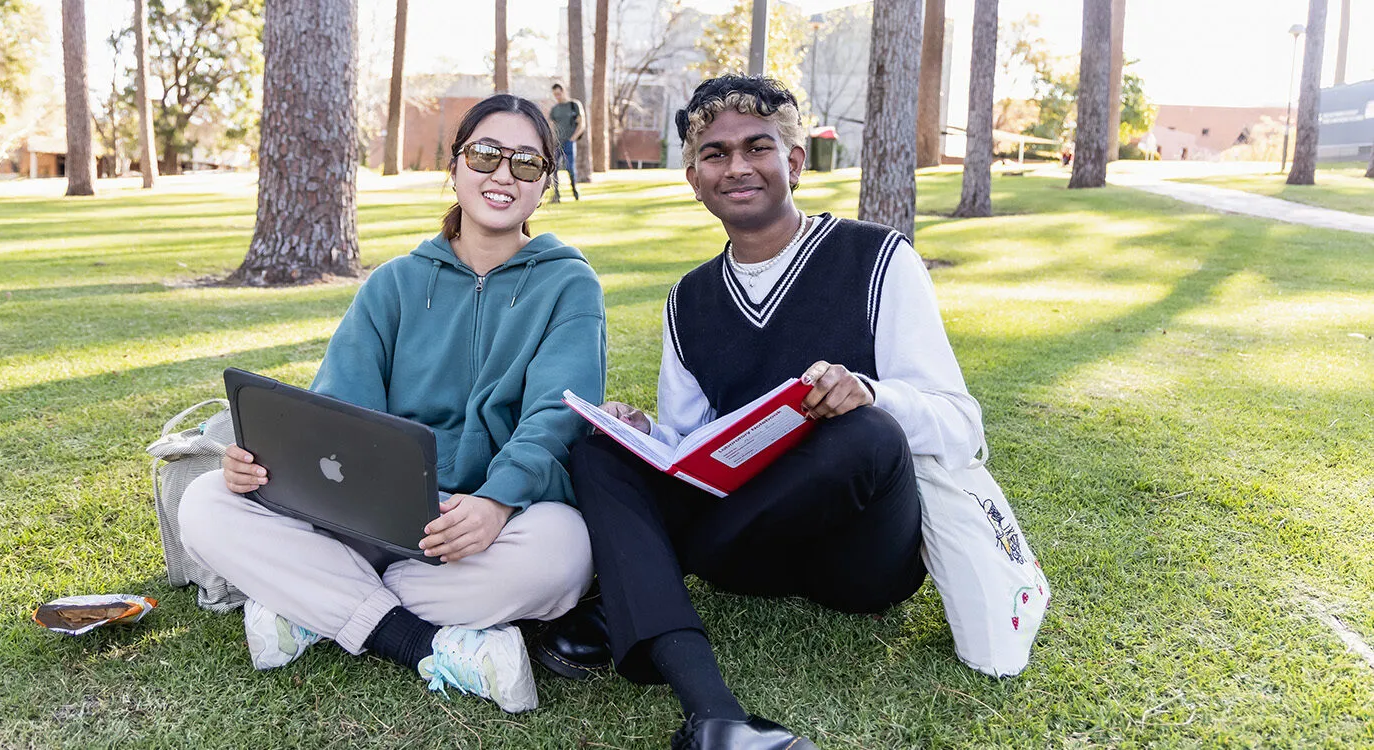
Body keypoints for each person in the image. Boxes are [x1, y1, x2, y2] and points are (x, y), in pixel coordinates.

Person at [538, 75, 985, 749]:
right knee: (599, 448)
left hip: (862, 556)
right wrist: (645, 435)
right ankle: (715, 716)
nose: (737, 166)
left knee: (864, 432)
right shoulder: (688, 299)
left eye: (758, 147)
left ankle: (635, 586)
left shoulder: (878, 259)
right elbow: (690, 444)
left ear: (795, 162)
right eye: (715, 154)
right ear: (694, 177)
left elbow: (961, 425)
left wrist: (870, 390)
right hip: (746, 552)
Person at [177, 93, 607, 714]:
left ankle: (313, 608)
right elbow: (335, 406)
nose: (502, 175)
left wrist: (494, 503)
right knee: (207, 503)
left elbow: (557, 415)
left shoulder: (570, 284)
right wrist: (264, 466)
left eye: (526, 163)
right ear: (455, 166)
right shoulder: (395, 283)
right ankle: (420, 641)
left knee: (566, 551)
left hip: (485, 525)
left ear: (545, 183)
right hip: (365, 519)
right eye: (485, 154)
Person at [548, 82, 584, 203]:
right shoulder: (554, 109)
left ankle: (575, 193)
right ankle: (556, 195)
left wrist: (573, 138)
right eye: (555, 95)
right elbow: (551, 125)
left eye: (558, 94)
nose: (557, 97)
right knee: (554, 168)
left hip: (569, 142)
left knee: (570, 168)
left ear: (563, 91)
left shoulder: (574, 105)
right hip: (557, 142)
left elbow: (581, 123)